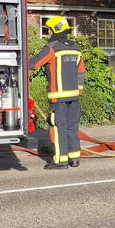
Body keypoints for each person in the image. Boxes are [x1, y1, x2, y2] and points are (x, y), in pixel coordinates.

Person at [30, 16, 86, 168]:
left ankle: (60, 161)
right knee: (72, 128)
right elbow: (81, 72)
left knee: (59, 129)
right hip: (74, 97)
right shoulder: (76, 49)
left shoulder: (51, 48)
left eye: (49, 29)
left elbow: (33, 64)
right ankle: (74, 159)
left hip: (58, 99)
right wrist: (78, 91)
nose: (48, 32)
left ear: (55, 30)